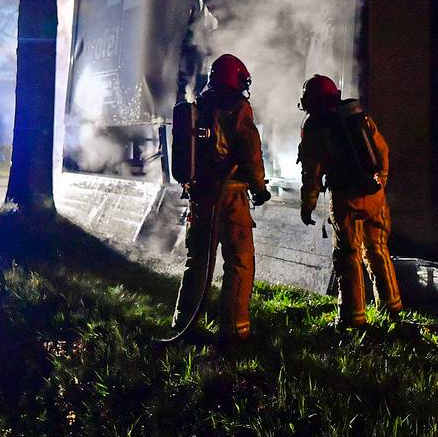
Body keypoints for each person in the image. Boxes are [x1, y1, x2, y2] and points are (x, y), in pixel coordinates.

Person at [170, 54, 272, 343]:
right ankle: (235, 330)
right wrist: (259, 188)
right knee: (239, 260)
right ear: (236, 79)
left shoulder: (199, 107)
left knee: (198, 260)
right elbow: (251, 152)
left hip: (200, 196)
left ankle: (185, 322)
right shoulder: (238, 109)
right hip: (230, 198)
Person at [297, 74, 403, 328]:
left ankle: (352, 317)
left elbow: (312, 172)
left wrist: (308, 204)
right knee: (378, 249)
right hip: (374, 196)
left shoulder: (315, 127)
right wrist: (378, 185)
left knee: (348, 255)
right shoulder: (358, 116)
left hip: (345, 199)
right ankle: (392, 308)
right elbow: (383, 152)